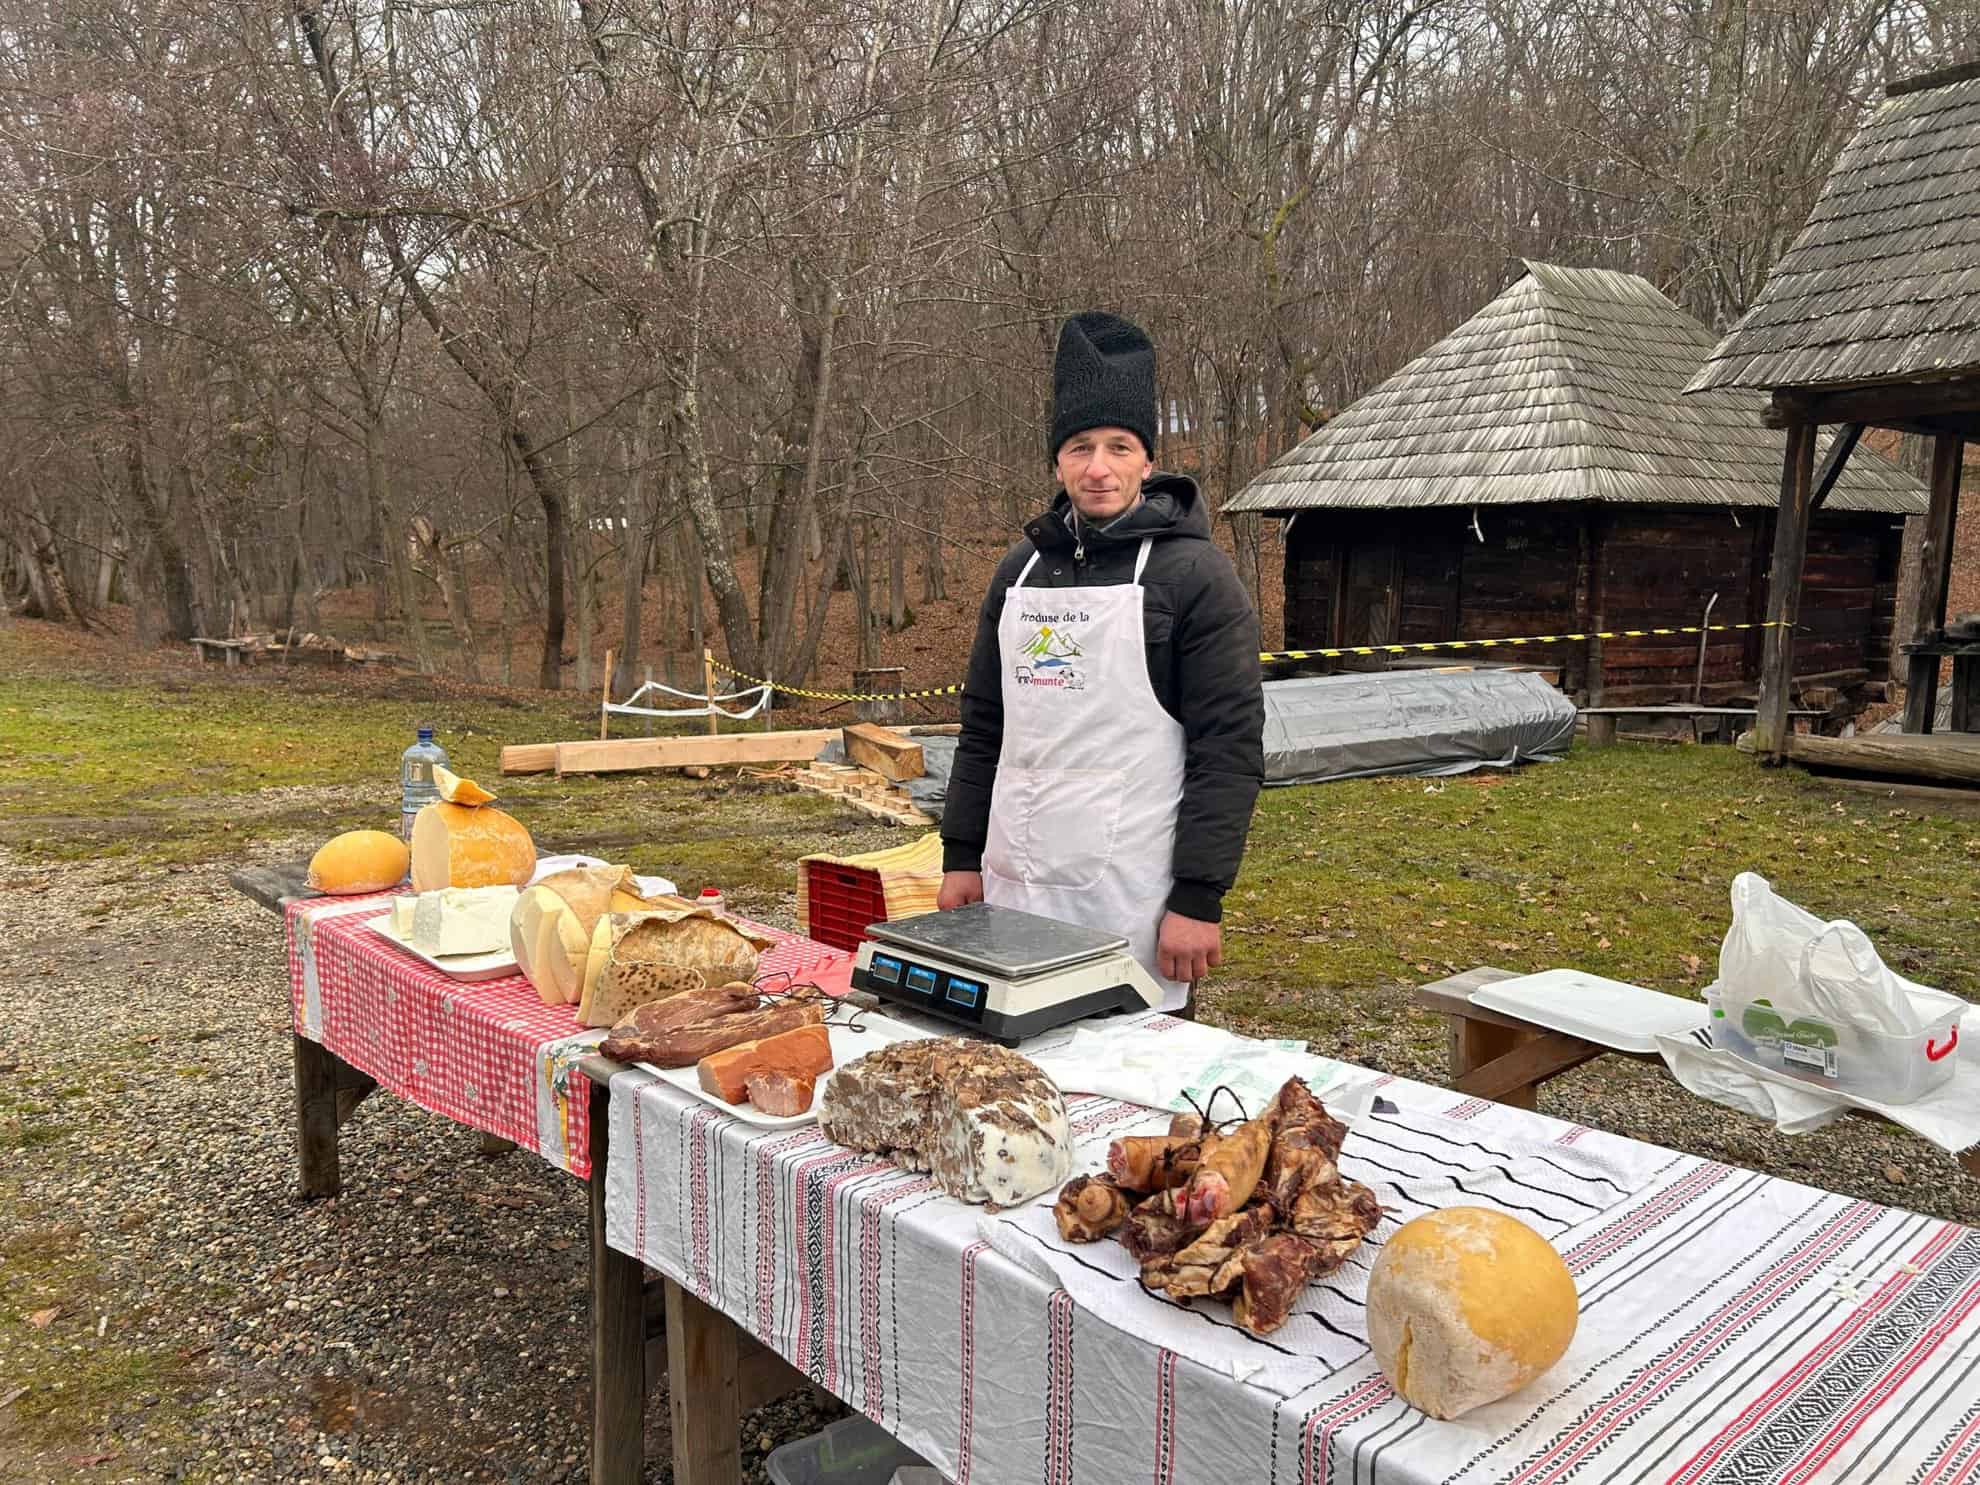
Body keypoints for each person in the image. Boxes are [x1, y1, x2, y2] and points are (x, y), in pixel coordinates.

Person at [937, 311, 1265, 1012]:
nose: (1098, 467)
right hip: (1013, 890)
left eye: (1119, 446)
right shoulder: (1019, 573)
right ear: (1056, 459)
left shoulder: (1196, 577)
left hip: (1136, 903)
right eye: (1080, 446)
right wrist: (962, 855)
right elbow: (983, 728)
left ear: (1148, 460)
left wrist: (1199, 897)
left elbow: (1228, 749)